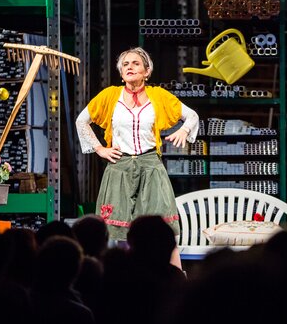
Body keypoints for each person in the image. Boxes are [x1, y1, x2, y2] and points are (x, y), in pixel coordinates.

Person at [76, 47, 199, 268]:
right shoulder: (110, 96)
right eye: (125, 64)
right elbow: (81, 121)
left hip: (150, 166)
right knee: (120, 231)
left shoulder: (158, 96)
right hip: (120, 166)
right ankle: (123, 280)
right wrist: (100, 149)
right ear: (121, 73)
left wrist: (184, 130)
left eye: (135, 63)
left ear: (146, 71)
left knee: (163, 231)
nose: (130, 67)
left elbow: (191, 115)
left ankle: (175, 279)